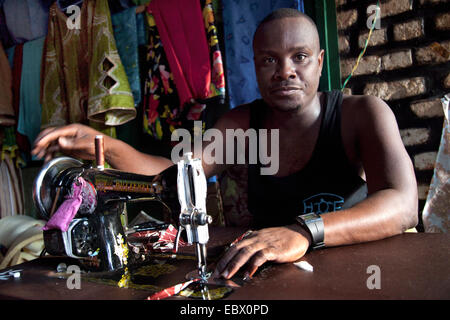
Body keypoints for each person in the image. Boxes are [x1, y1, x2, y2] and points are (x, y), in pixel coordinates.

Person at [32, 9, 418, 281]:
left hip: (358, 272)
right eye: (269, 60)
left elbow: (402, 205)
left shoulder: (362, 114)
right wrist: (106, 145)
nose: (285, 70)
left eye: (299, 57)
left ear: (318, 61)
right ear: (255, 66)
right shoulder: (242, 126)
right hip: (282, 277)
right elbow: (176, 177)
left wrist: (303, 232)